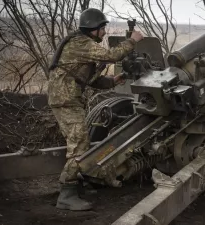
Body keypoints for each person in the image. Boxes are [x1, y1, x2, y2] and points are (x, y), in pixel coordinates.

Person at [47, 7, 143, 211]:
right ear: (94, 28)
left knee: (79, 142)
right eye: (102, 28)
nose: (104, 32)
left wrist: (116, 79)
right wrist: (132, 40)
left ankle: (75, 184)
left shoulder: (82, 45)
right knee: (80, 144)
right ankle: (67, 193)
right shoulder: (81, 43)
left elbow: (89, 79)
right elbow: (111, 55)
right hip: (65, 100)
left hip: (68, 98)